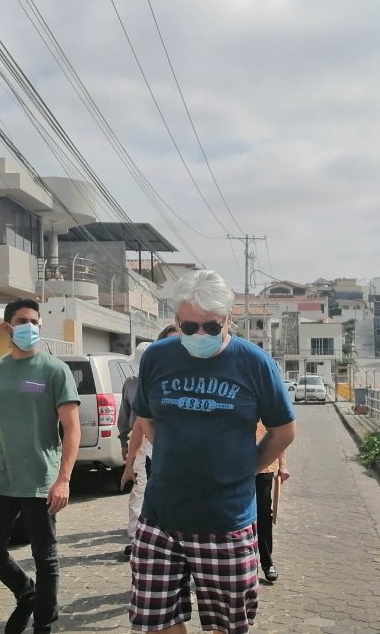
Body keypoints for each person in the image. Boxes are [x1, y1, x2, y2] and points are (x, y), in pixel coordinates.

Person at [128, 270, 296, 634]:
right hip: (160, 516)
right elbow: (146, 416)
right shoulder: (157, 357)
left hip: (226, 521)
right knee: (155, 622)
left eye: (211, 326)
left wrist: (245, 466)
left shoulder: (254, 363)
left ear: (228, 319)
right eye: (189, 328)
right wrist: (177, 454)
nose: (199, 335)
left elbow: (283, 431)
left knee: (227, 625)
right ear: (176, 321)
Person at [0, 298, 81, 634]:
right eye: (23, 321)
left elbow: (72, 427)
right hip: (1, 476)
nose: (31, 327)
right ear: (7, 327)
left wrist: (64, 479)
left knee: (46, 557)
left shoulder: (54, 370)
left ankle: (45, 624)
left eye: (35, 321)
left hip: (41, 478)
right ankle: (26, 593)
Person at [119, 324, 179, 557]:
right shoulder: (152, 384)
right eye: (170, 342)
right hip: (157, 459)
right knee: (145, 497)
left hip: (195, 469)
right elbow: (138, 424)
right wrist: (129, 462)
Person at [254, 421, 290, 583]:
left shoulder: (267, 407)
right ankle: (242, 563)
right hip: (236, 468)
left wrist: (283, 465)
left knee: (263, 516)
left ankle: (267, 563)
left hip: (264, 468)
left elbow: (279, 437)